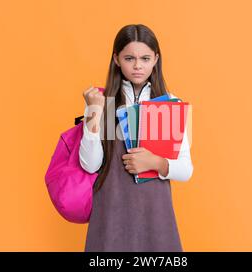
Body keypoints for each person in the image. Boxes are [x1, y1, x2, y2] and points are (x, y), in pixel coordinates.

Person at [79, 24, 193, 252]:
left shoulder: (170, 104)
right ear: (116, 59)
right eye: (129, 58)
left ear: (156, 59)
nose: (138, 66)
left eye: (145, 58)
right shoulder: (103, 102)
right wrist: (93, 112)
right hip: (111, 211)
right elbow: (90, 165)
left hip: (155, 213)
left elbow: (186, 169)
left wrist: (155, 162)